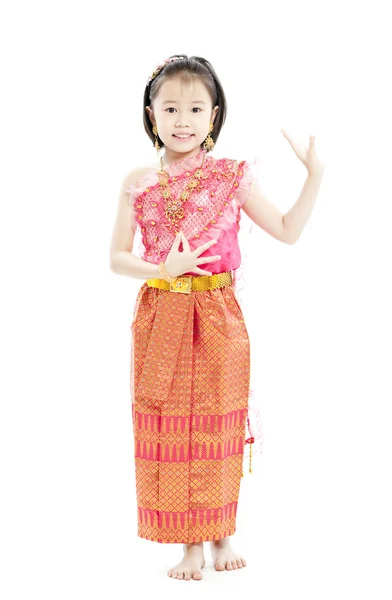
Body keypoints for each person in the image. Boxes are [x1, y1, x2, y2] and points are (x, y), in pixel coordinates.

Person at [109, 54, 324, 581]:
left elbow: (288, 231)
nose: (182, 119)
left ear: (214, 116)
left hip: (219, 313)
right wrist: (165, 267)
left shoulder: (231, 177)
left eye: (195, 108)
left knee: (218, 423)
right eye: (171, 107)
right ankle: (187, 547)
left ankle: (222, 534)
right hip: (161, 311)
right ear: (151, 114)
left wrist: (315, 176)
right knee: (165, 424)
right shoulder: (138, 180)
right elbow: (116, 258)